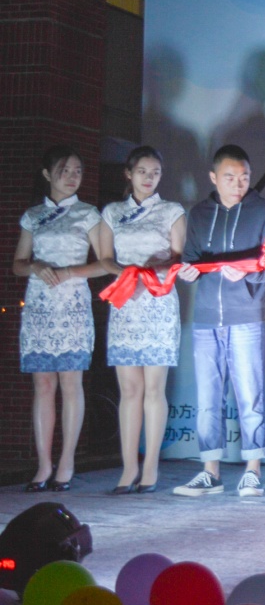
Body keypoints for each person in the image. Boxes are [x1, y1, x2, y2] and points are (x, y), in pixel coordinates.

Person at [173, 144, 265, 497]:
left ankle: (252, 469)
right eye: (230, 177)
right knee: (208, 398)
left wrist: (248, 273)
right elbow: (190, 258)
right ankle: (210, 471)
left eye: (244, 177)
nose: (238, 184)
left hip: (247, 315)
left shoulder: (264, 211)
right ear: (213, 177)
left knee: (250, 395)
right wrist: (187, 272)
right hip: (206, 318)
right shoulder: (200, 213)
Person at [12, 146, 106, 492]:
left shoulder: (88, 214)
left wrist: (69, 272)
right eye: (65, 170)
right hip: (39, 305)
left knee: (70, 383)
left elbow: (106, 262)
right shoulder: (33, 215)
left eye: (77, 171)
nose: (72, 176)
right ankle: (43, 465)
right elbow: (17, 264)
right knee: (43, 385)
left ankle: (66, 461)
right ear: (47, 174)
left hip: (72, 304)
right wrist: (35, 265)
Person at [99, 146, 187, 494]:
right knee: (129, 390)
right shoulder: (112, 212)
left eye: (155, 173)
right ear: (129, 173)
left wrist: (151, 269)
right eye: (143, 172)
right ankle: (128, 468)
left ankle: (150, 467)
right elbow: (105, 257)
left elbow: (179, 256)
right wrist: (126, 272)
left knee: (153, 388)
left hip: (158, 301)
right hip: (125, 302)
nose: (149, 178)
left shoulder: (172, 211)